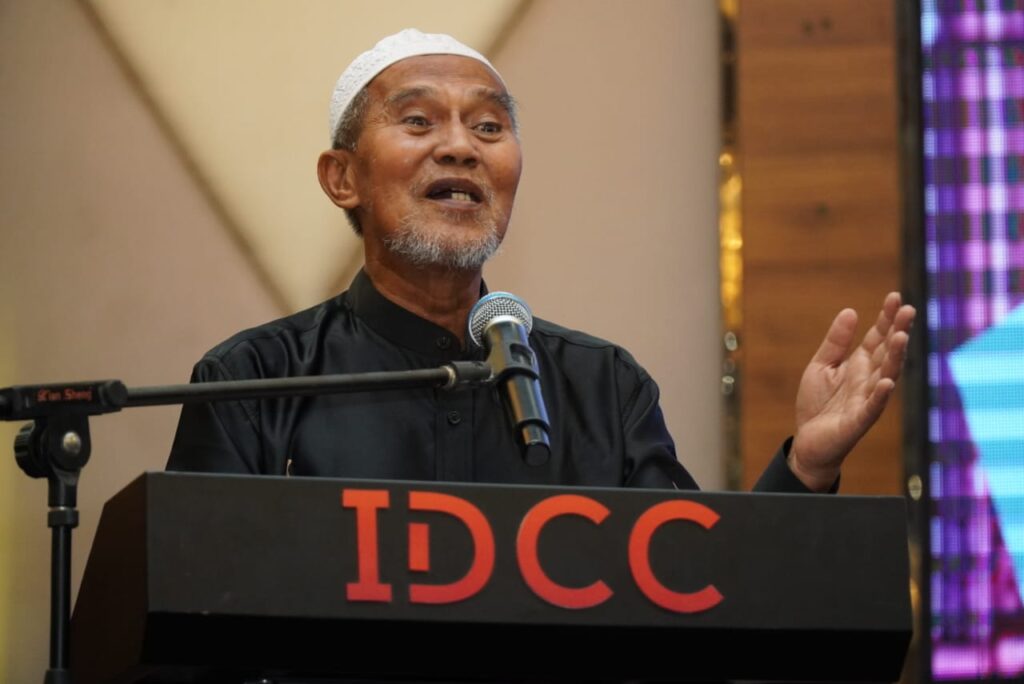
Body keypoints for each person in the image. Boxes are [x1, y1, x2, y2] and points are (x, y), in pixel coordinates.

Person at [167, 29, 915, 493]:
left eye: (489, 127)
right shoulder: (252, 383)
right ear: (342, 178)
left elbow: (697, 598)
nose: (460, 146)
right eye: (419, 121)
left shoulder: (603, 389)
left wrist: (806, 468)